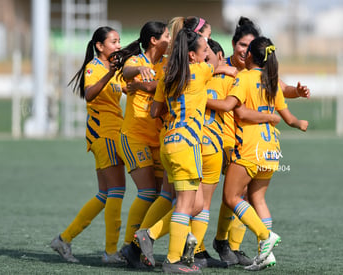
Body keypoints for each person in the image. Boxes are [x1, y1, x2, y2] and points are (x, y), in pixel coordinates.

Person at [213, 16, 310, 266]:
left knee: (232, 197)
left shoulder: (243, 78)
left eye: (248, 47)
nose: (243, 51)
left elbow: (239, 111)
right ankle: (266, 253)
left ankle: (265, 237)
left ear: (250, 56)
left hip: (249, 148)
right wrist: (299, 123)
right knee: (257, 200)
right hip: (271, 150)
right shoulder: (270, 79)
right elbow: (287, 117)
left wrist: (196, 99)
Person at [50, 26, 126, 264]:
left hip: (108, 133)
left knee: (104, 193)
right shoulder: (94, 68)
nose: (118, 45)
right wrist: (109, 74)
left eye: (119, 41)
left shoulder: (112, 69)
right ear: (99, 46)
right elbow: (90, 93)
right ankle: (111, 252)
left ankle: (64, 239)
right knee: (117, 190)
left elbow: (126, 87)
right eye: (113, 42)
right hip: (105, 134)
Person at [147, 28, 214, 274]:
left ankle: (150, 234)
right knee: (186, 206)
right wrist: (207, 48)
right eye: (203, 50)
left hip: (169, 143)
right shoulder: (201, 70)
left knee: (190, 204)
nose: (207, 54)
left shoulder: (167, 76)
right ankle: (173, 261)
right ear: (193, 57)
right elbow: (214, 63)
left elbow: (155, 111)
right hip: (187, 144)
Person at [112, 21, 171, 267]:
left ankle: (138, 248)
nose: (170, 38)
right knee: (147, 193)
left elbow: (166, 83)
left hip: (158, 140)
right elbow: (126, 73)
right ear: (154, 40)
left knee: (160, 196)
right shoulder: (136, 60)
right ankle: (129, 247)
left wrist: (146, 85)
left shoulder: (167, 63)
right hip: (134, 136)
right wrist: (136, 74)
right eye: (167, 35)